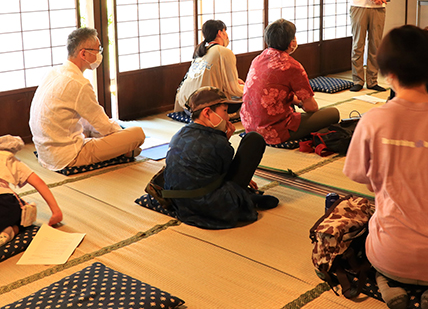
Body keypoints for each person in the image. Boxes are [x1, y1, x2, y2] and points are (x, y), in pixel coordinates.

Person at [343, 25, 428, 309]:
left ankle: (387, 284)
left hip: (390, 253)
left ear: (387, 70)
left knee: (373, 235)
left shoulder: (372, 120)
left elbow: (362, 178)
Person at [29, 28, 145, 171]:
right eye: (98, 50)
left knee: (96, 128)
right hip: (68, 156)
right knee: (137, 134)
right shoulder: (79, 83)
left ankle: (123, 148)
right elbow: (105, 126)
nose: (100, 55)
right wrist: (122, 135)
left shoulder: (53, 72)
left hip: (45, 152)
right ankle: (126, 150)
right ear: (83, 53)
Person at [164, 87, 278, 229]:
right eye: (224, 111)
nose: (228, 117)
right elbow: (225, 176)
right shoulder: (218, 142)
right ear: (207, 112)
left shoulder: (179, 134)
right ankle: (247, 199)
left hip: (179, 203)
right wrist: (224, 139)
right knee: (253, 139)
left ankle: (246, 197)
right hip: (210, 206)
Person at [240, 19, 340, 145]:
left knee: (291, 104)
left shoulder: (258, 59)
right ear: (291, 42)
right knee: (332, 113)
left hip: (250, 126)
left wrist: (297, 102)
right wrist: (301, 104)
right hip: (273, 131)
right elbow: (311, 107)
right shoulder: (291, 66)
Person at [0, 135, 63, 245]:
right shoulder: (12, 161)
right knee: (22, 218)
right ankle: (11, 231)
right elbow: (38, 182)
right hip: (6, 204)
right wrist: (56, 211)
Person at [174, 19, 244, 114]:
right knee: (250, 93)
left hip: (186, 106)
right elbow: (233, 89)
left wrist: (235, 81)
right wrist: (246, 87)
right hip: (204, 109)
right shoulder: (224, 52)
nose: (227, 36)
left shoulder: (201, 51)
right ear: (220, 33)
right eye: (225, 32)